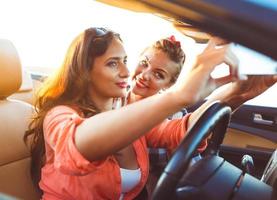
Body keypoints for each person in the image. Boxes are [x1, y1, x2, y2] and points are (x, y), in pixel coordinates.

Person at [23, 27, 276, 200]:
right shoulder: (59, 115)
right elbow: (75, 146)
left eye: (125, 60)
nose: (126, 72)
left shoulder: (128, 113)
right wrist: (177, 96)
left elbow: (181, 130)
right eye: (113, 63)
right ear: (85, 70)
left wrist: (237, 93)